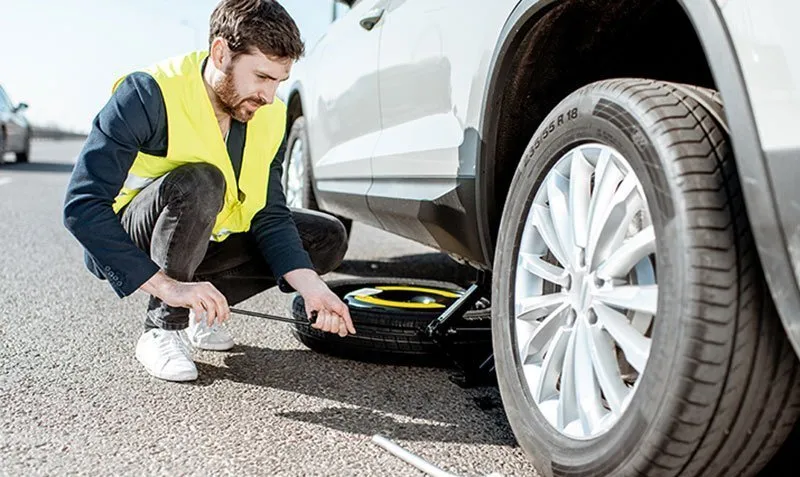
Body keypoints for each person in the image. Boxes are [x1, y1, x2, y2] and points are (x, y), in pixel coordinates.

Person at [63, 0, 356, 383]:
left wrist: (314, 289)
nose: (269, 96)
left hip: (204, 237)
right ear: (221, 53)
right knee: (202, 181)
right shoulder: (148, 94)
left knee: (325, 236)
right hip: (133, 235)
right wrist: (168, 288)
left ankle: (202, 308)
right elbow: (82, 206)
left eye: (279, 81)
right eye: (262, 77)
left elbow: (269, 213)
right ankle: (164, 328)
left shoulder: (270, 116)